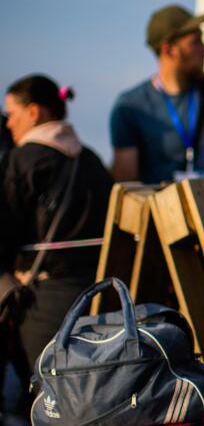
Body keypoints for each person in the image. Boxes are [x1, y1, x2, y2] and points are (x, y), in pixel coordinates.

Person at [2, 75, 113, 370]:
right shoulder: (91, 159)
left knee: (46, 401)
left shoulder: (21, 161)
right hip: (101, 298)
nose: (8, 123)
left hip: (43, 307)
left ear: (34, 112)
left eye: (12, 114)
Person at [110, 5, 204, 184]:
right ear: (168, 49)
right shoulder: (130, 107)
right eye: (196, 42)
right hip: (163, 212)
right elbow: (128, 190)